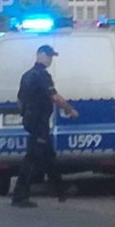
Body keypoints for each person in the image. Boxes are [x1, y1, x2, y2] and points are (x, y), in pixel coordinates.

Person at [12, 43, 75, 208]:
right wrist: (70, 110)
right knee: (31, 159)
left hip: (32, 120)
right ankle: (19, 196)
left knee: (48, 156)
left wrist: (25, 114)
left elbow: (20, 100)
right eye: (48, 56)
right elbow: (55, 97)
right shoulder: (42, 76)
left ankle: (60, 191)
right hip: (39, 122)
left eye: (51, 56)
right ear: (40, 55)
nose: (50, 60)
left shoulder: (26, 75)